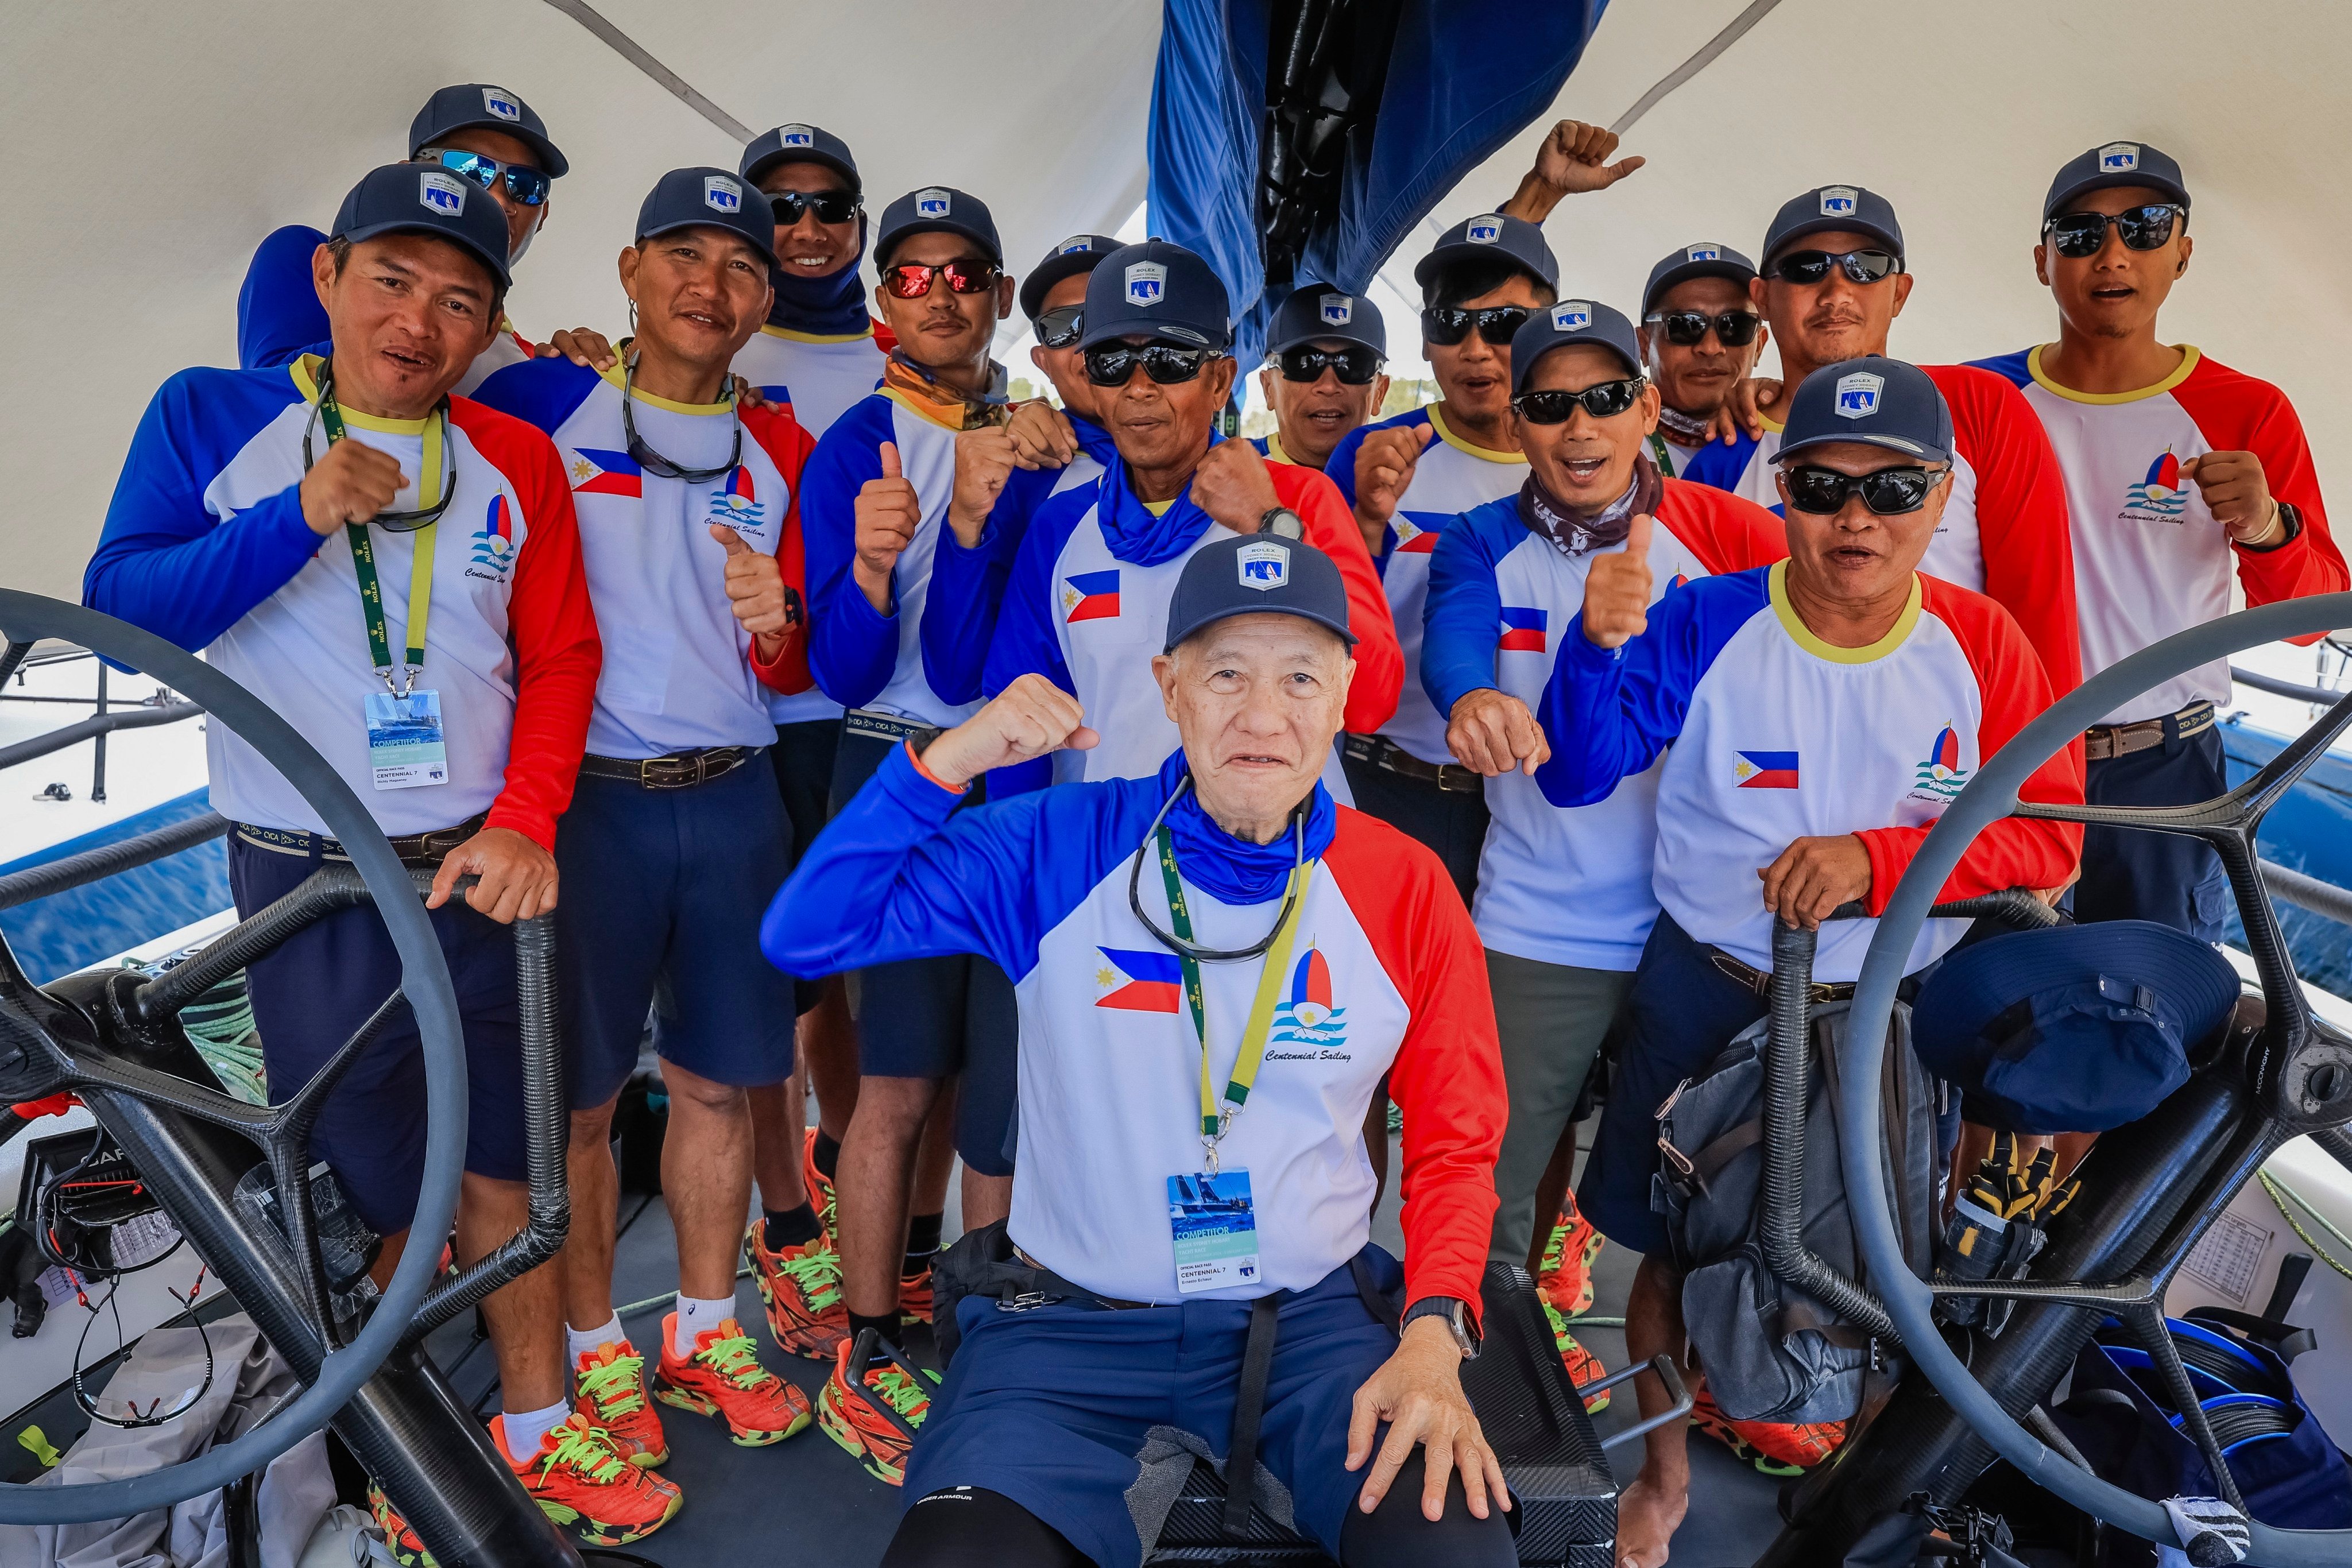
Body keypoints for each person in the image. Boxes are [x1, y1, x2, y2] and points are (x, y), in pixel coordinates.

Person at [84, 164, 683, 1550]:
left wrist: (531, 814)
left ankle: (537, 1428)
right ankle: (392, 1480)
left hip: (485, 868)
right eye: (394, 281)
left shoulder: (512, 457)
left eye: (460, 299)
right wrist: (292, 519)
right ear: (330, 278)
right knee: (360, 1188)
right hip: (308, 882)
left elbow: (562, 654)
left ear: (489, 330)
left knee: (513, 1163)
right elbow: (122, 608)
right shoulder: (209, 415)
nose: (420, 320)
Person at [763, 531, 1516, 1568]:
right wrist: (948, 760)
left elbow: (1457, 1139)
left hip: (1309, 1333)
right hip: (1066, 1338)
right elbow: (804, 935)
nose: (1262, 716)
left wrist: (1434, 1330)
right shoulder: (1056, 843)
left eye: (1300, 677)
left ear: (1344, 694)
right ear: (1168, 690)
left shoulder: (1405, 881)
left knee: (1458, 1555)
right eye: (1225, 676)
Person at [1535, 358, 2083, 1568]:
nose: (1856, 517)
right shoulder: (1704, 619)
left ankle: (1855, 1487)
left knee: (1898, 1267)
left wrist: (1875, 860)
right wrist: (1589, 647)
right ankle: (1664, 1481)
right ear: (1780, 489)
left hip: (1891, 1017)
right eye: (1823, 486)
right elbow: (1575, 772)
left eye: (1891, 487)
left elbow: (2050, 827)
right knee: (1667, 1248)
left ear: (1940, 496)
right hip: (1708, 990)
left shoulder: (1980, 643)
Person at [470, 167, 823, 1462]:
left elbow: (794, 666)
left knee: (725, 1086)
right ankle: (592, 1343)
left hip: (733, 801)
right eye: (681, 254)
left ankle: (702, 1324)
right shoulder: (536, 413)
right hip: (589, 812)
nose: (707, 284)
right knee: (574, 1108)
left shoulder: (783, 448)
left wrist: (779, 625)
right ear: (627, 274)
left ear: (761, 300)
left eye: (737, 267)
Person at [1419, 301, 1784, 1389]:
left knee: (1693, 1186)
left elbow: (1858, 600)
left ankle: (1685, 1411)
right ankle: (1475, 1380)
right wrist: (1475, 697)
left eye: (1605, 396)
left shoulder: (1727, 531)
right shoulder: (1481, 536)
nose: (1579, 427)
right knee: (1492, 1172)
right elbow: (1454, 646)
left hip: (1701, 927)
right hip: (1539, 919)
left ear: (1648, 404)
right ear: (1515, 421)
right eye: (1548, 404)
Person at [792, 184, 1064, 1483]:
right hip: (890, 764)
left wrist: (990, 508)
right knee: (897, 1078)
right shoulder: (855, 440)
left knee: (987, 1088)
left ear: (999, 298)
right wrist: (868, 565)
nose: (941, 291)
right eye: (914, 273)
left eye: (967, 273)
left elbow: (998, 643)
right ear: (882, 296)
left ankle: (974, 1328)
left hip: (1013, 789)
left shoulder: (1041, 439)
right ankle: (865, 1340)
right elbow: (848, 668)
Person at [1971, 141, 2346, 938]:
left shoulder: (2249, 409)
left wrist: (2270, 525)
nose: (2113, 255)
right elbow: (1840, 418)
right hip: (2010, 757)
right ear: (2043, 260)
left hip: (2165, 769)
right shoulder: (1978, 396)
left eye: (2144, 227)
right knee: (1994, 1004)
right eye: (2081, 234)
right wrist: (1760, 398)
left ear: (2182, 252)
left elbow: (2315, 616)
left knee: (2164, 1010)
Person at [978, 240, 1400, 796]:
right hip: (1118, 867)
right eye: (1111, 362)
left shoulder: (1297, 498)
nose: (1138, 387)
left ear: (1221, 380)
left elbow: (1371, 697)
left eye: (1169, 360)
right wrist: (1030, 873)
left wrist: (1266, 523)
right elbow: (1019, 731)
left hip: (1284, 869)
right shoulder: (1061, 528)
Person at [720, 119, 886, 1372]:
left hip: (869, 716)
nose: (807, 224)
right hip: (750, 728)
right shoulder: (699, 346)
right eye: (780, 206)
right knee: (761, 997)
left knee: (844, 981)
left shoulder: (909, 361)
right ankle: (788, 1224)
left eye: (829, 204)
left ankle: (835, 1173)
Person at [1686, 185, 2083, 692]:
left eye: (1866, 266)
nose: (1836, 292)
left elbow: (2041, 617)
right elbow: (1698, 643)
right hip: (1777, 751)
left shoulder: (1982, 407)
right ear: (1762, 298)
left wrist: (2047, 766)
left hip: (1952, 758)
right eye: (1807, 267)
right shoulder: (1725, 453)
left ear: (1900, 291)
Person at [1321, 213, 1558, 904]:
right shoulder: (1373, 454)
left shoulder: (1584, 456)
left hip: (1540, 803)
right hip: (1392, 784)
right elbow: (1316, 625)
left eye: (1505, 323)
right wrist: (1365, 521)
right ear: (1425, 342)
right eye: (1451, 323)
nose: (1476, 349)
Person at [238, 84, 566, 395]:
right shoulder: (304, 255)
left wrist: (586, 373)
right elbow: (270, 395)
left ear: (543, 217)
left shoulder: (530, 361)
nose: (499, 199)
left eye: (526, 185)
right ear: (409, 175)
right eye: (469, 169)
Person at [1635, 245, 1766, 478]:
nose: (1711, 348)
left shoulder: (1789, 442)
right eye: (1685, 326)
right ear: (1644, 346)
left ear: (1760, 346)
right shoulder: (1607, 449)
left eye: (1735, 326)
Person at [1252, 286, 1390, 471]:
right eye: (1306, 363)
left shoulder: (1410, 487)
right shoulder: (1221, 478)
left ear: (1379, 393)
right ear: (1269, 388)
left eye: (1352, 365)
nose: (1328, 386)